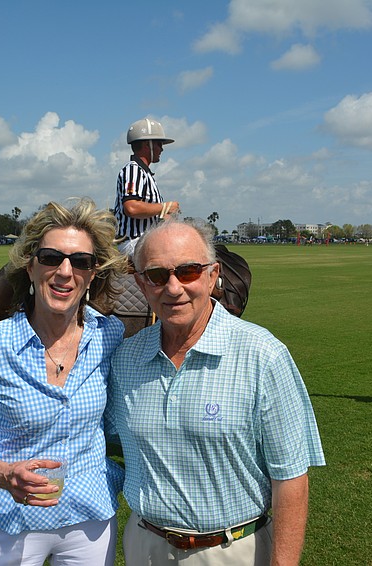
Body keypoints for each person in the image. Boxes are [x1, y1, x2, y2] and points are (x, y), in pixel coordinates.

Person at [106, 218, 325, 565]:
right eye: (158, 276)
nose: (173, 288)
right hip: (144, 546)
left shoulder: (263, 355)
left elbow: (291, 479)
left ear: (213, 275)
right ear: (141, 284)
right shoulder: (126, 358)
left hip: (233, 549)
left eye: (189, 271)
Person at [0, 198, 129, 565]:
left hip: (90, 518)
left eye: (80, 262)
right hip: (8, 518)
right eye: (51, 258)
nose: (65, 271)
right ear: (30, 267)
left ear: (93, 274)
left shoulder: (110, 334)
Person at [114, 118, 181, 257]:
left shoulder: (145, 173)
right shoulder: (133, 170)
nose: (161, 149)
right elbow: (131, 207)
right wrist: (165, 207)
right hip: (133, 241)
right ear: (147, 145)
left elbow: (151, 213)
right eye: (159, 144)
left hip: (143, 240)